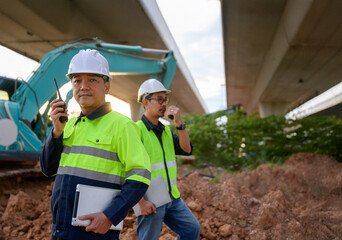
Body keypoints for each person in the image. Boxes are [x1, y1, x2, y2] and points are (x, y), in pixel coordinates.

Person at [40, 49, 151, 240]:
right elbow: (47, 169)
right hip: (61, 230)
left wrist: (110, 217)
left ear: (106, 87)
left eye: (92, 80)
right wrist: (56, 133)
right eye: (77, 80)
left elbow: (140, 177)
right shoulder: (69, 125)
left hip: (95, 233)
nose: (83, 86)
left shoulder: (122, 125)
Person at [135, 78, 201, 239]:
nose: (164, 103)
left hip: (172, 197)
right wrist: (140, 202)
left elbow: (187, 149)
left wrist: (179, 124)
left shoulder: (166, 131)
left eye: (165, 99)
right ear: (145, 102)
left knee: (192, 229)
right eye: (159, 99)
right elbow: (128, 168)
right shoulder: (137, 130)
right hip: (151, 198)